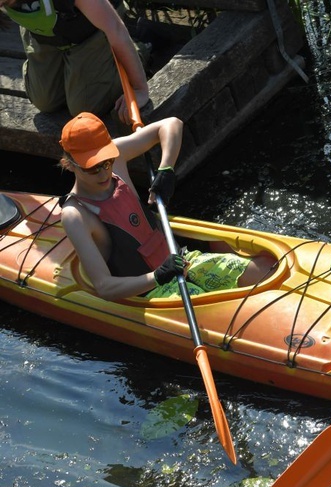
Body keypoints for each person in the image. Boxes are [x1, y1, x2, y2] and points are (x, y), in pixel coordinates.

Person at [58, 112, 276, 301]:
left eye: (107, 162)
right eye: (92, 168)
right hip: (152, 291)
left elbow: (171, 124)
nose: (104, 172)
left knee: (264, 272)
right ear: (69, 164)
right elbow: (105, 287)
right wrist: (158, 276)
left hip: (181, 260)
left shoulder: (118, 156)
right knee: (221, 312)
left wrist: (166, 169)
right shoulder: (75, 215)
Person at [0, 0, 149, 120]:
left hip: (93, 30)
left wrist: (139, 89)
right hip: (46, 34)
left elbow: (115, 28)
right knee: (44, 101)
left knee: (85, 108)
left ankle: (139, 50)